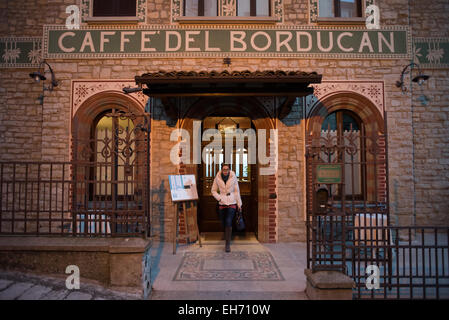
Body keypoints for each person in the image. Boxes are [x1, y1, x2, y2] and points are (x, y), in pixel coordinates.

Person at [211, 164, 242, 252]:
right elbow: (213, 190)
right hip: (222, 202)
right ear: (221, 170)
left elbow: (237, 191)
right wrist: (219, 198)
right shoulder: (217, 177)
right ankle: (227, 236)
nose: (225, 171)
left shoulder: (233, 177)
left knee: (228, 221)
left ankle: (227, 244)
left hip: (232, 202)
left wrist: (239, 204)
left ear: (229, 170)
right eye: (224, 169)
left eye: (227, 169)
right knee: (224, 222)